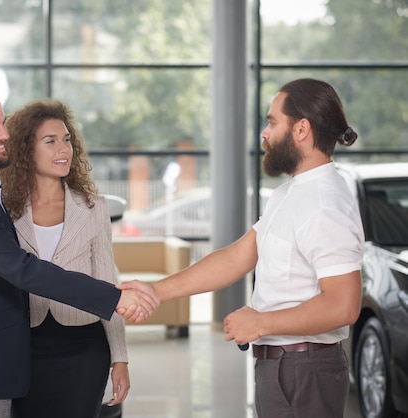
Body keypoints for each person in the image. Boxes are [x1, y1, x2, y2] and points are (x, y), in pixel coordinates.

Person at [120, 78, 364, 417]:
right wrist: (157, 292)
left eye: (273, 121)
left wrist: (261, 322)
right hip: (283, 366)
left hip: (304, 369)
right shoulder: (291, 194)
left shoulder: (325, 204)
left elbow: (343, 305)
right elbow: (238, 256)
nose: (264, 133)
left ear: (302, 129)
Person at [0, 86, 157, 418]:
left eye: (66, 140)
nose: (3, 133)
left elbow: (106, 272)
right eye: (50, 141)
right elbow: (18, 267)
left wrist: (119, 355)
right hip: (14, 350)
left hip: (78, 346)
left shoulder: (85, 207)